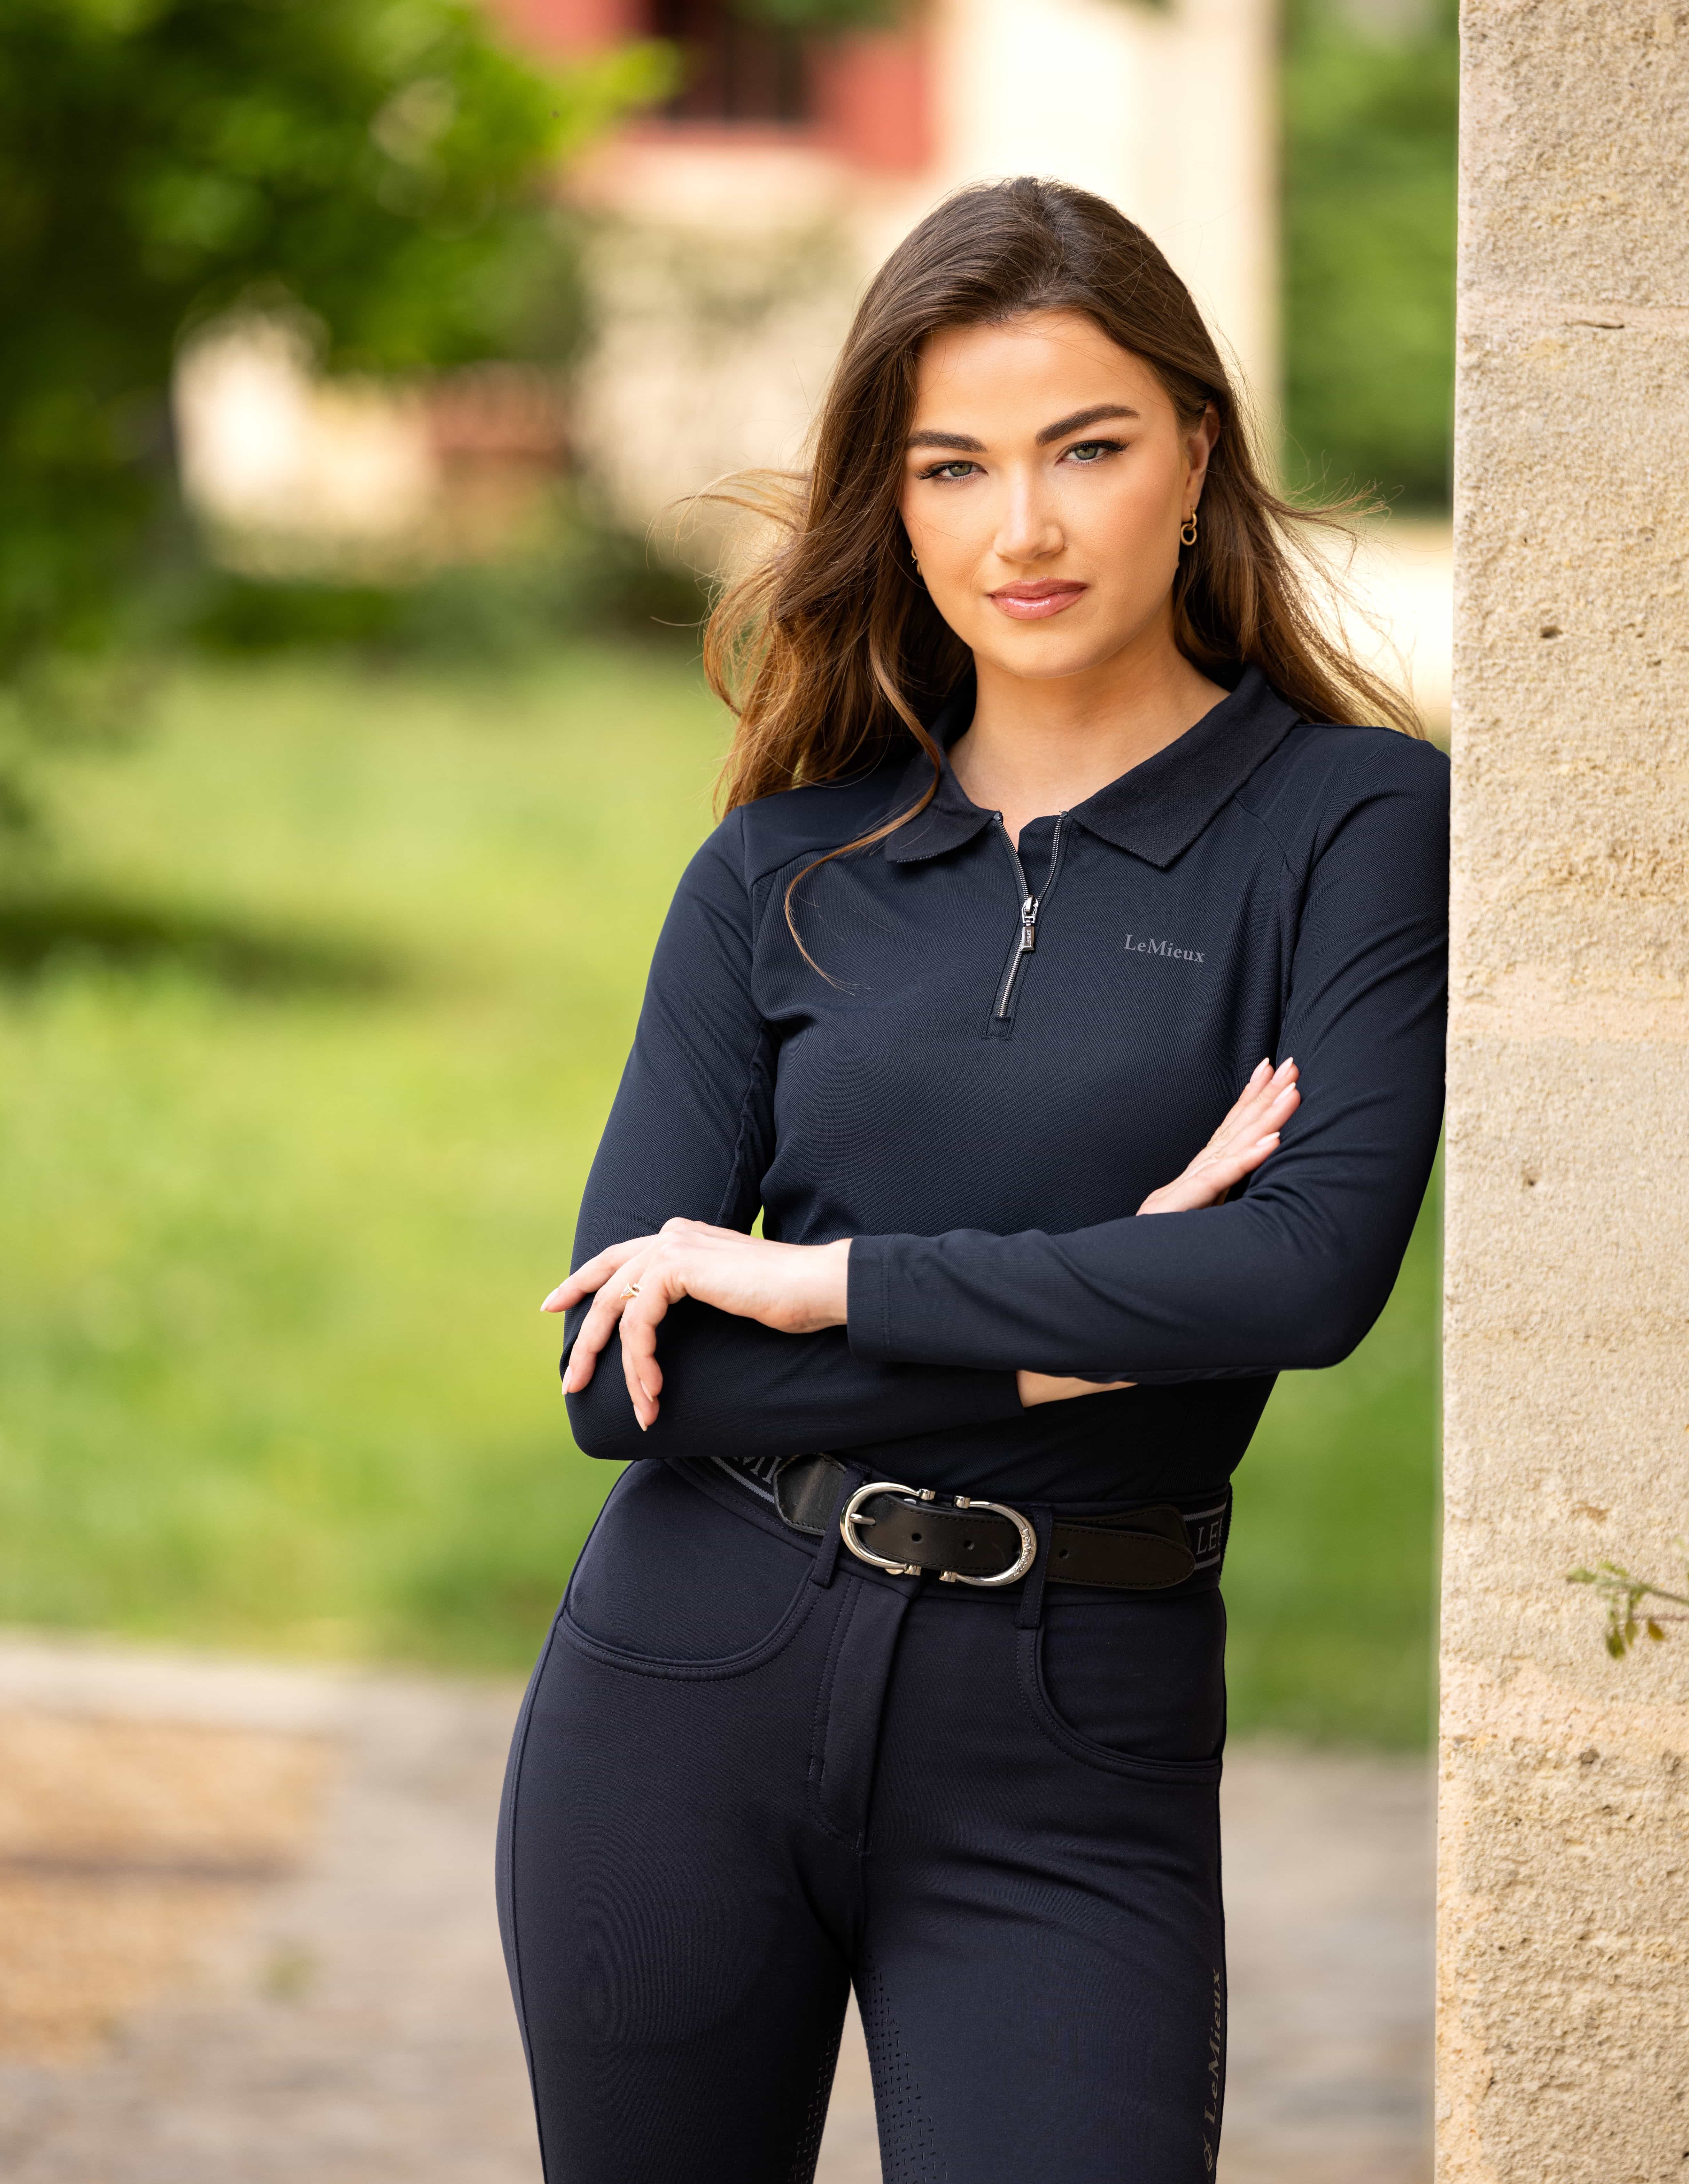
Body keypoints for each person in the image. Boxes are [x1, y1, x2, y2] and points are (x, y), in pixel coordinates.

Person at [497, 176, 1448, 2184]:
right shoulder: (781, 866)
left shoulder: (1355, 822)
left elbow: (1301, 1280)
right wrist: (1091, 1319)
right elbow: (620, 1380)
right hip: (682, 1686)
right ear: (895, 501)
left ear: (1196, 450)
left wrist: (822, 1288)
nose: (1021, 528)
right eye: (954, 466)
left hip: (1071, 1724)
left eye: (1085, 449)